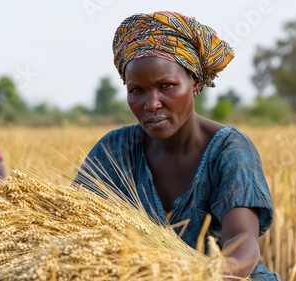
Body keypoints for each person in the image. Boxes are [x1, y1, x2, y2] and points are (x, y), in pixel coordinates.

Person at [74, 11, 279, 280]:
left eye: (166, 86)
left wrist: (213, 276)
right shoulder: (114, 151)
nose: (151, 104)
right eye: (137, 91)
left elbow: (242, 238)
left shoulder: (230, 150)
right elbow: (72, 224)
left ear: (196, 83)